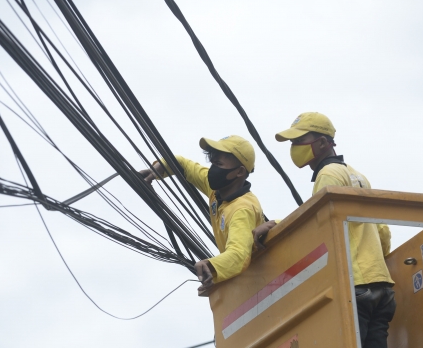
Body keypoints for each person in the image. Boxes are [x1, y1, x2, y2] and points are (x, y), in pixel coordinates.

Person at [252, 112, 395, 348]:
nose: (294, 147)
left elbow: (319, 225)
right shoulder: (357, 175)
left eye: (299, 140)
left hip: (355, 284)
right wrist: (377, 265)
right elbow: (383, 233)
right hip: (382, 285)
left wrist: (276, 226)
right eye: (292, 142)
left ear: (322, 142)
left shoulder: (327, 175)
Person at [141, 135, 265, 292]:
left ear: (239, 172)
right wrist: (159, 168)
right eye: (213, 163)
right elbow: (184, 165)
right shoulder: (218, 190)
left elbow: (239, 254)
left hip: (260, 280)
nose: (213, 169)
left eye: (219, 164)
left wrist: (211, 265)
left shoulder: (242, 209)